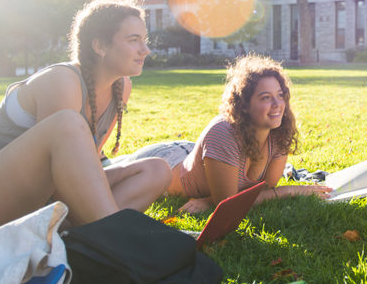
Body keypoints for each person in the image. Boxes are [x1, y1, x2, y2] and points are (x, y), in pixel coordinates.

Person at [0, 0, 172, 246]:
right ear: (100, 46)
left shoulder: (121, 86)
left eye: (144, 39)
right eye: (133, 40)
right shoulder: (63, 80)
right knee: (68, 123)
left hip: (39, 207)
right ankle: (115, 244)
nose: (146, 50)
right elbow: (60, 184)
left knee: (156, 169)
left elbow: (87, 168)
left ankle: (84, 241)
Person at [124, 54, 332, 214]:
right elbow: (229, 205)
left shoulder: (278, 133)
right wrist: (290, 191)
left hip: (194, 151)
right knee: (109, 170)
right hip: (165, 161)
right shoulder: (224, 133)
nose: (278, 104)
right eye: (265, 97)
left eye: (280, 95)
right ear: (244, 105)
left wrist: (208, 201)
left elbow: (263, 190)